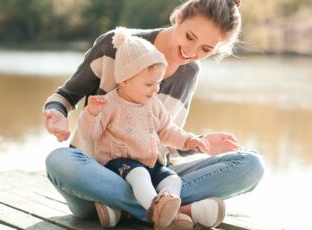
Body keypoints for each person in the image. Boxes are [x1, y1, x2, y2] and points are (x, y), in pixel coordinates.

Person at [43, 0, 264, 228]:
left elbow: (163, 138)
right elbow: (66, 96)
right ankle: (173, 210)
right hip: (98, 175)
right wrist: (55, 112)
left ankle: (136, 209)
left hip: (150, 173)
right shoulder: (117, 45)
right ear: (178, 17)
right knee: (59, 161)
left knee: (251, 165)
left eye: (206, 49)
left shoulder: (188, 73)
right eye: (190, 37)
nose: (191, 52)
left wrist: (198, 143)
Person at [78, 28, 210, 228]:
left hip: (152, 163)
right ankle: (157, 211)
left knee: (172, 178)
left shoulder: (154, 104)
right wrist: (92, 113)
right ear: (125, 80)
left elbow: (167, 130)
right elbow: (90, 134)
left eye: (158, 82)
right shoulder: (109, 103)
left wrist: (187, 140)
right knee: (139, 175)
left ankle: (168, 202)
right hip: (120, 165)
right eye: (149, 84)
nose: (156, 89)